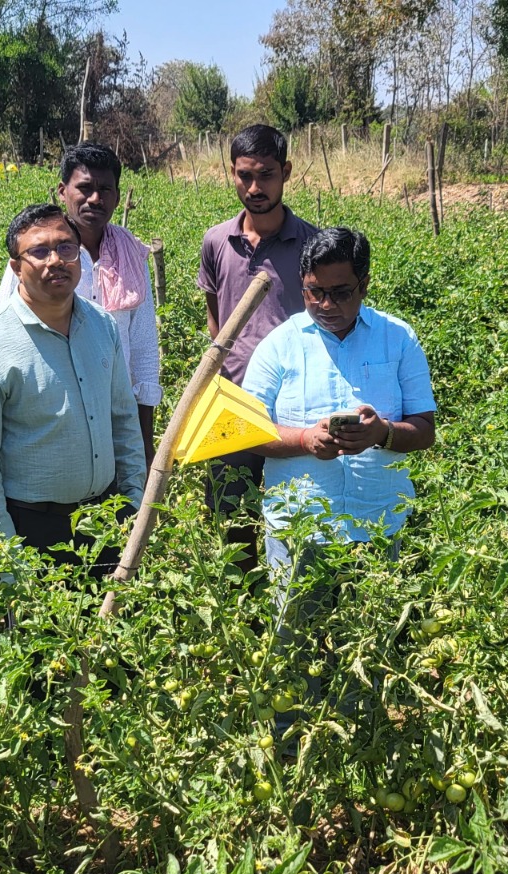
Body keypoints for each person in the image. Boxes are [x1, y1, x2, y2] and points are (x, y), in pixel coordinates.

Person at [242, 227, 437, 729]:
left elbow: (424, 429)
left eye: (340, 292)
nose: (326, 303)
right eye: (314, 292)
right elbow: (245, 431)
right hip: (300, 526)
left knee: (366, 648)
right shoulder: (279, 344)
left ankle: (360, 747)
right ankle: (292, 749)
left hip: (377, 523)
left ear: (364, 285)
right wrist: (305, 440)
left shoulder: (398, 338)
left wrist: (383, 435)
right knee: (293, 646)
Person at [0, 203, 146, 579]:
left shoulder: (103, 327)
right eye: (39, 251)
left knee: (112, 636)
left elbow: (124, 424)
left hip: (107, 522)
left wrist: (133, 509)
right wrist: (8, 562)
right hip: (31, 534)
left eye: (66, 248)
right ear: (16, 267)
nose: (55, 260)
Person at [198, 123, 319, 572]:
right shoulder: (217, 240)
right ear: (231, 173)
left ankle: (292, 609)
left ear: (286, 172)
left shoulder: (312, 242)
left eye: (266, 174)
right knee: (232, 520)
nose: (255, 187)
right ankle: (243, 613)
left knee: (299, 513)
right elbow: (216, 317)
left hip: (295, 403)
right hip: (232, 401)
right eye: (244, 175)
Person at [0, 142, 161, 463]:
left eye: (105, 189)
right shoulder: (37, 254)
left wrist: (143, 441)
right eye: (84, 188)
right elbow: (4, 336)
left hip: (115, 417)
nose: (95, 199)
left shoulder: (132, 255)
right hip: (50, 416)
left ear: (116, 195)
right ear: (62, 191)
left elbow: (142, 350)